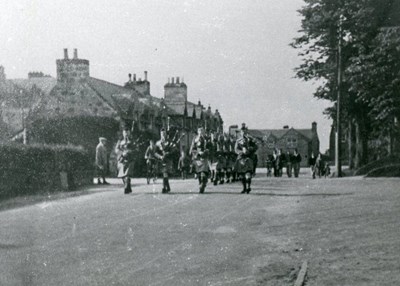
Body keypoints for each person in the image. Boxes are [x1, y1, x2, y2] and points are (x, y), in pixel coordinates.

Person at [155, 128, 180, 193]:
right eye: (162, 134)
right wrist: (160, 156)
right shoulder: (158, 143)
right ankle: (167, 187)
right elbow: (155, 152)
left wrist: (169, 153)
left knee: (165, 173)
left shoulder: (170, 142)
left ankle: (164, 187)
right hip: (161, 160)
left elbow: (175, 149)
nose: (163, 135)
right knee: (164, 173)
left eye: (164, 134)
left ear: (166, 134)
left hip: (168, 159)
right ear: (160, 134)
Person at [234, 123, 258, 194]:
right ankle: (244, 188)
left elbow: (256, 147)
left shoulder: (251, 140)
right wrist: (241, 152)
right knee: (241, 176)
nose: (244, 133)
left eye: (245, 131)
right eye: (242, 131)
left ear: (247, 132)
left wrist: (250, 149)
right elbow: (235, 149)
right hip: (241, 158)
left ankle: (248, 187)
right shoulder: (238, 141)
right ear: (240, 132)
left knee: (248, 174)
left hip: (249, 158)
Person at [190, 126, 211, 193]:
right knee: (199, 173)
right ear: (198, 132)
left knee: (203, 173)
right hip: (197, 158)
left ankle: (203, 184)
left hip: (204, 157)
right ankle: (201, 184)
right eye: (200, 131)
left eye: (202, 131)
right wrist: (197, 152)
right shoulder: (195, 139)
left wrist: (206, 151)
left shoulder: (207, 139)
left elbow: (211, 147)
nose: (201, 132)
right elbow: (192, 148)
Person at [115, 129, 137, 194]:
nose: (126, 134)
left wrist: (131, 151)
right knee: (122, 175)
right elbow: (116, 149)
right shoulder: (120, 141)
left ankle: (126, 188)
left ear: (129, 133)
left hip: (130, 159)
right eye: (125, 132)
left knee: (127, 174)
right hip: (122, 159)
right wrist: (122, 153)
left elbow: (136, 149)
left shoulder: (133, 141)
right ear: (123, 133)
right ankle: (128, 186)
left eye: (127, 132)